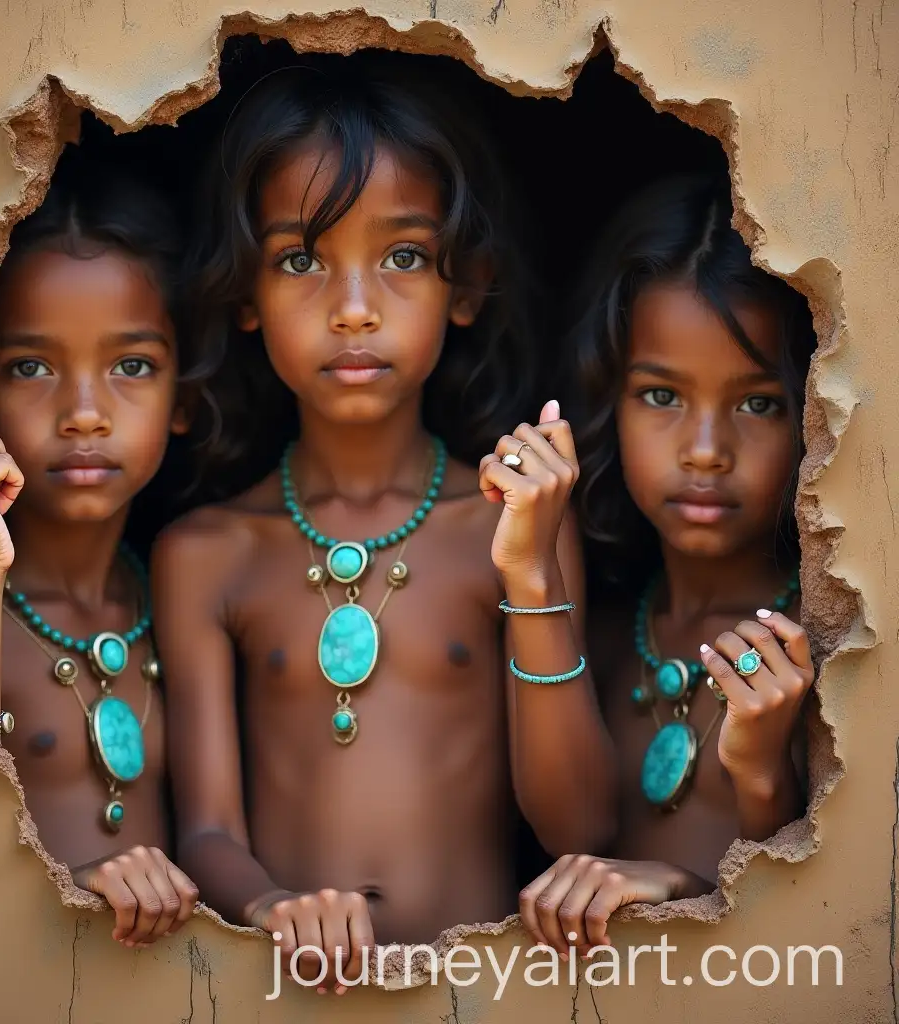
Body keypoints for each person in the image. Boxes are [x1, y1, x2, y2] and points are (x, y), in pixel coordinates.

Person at [153, 53, 617, 985]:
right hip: (278, 995)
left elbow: (580, 830)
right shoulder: (205, 554)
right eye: (301, 260)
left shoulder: (513, 526)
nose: (354, 310)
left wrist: (530, 572)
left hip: (482, 999)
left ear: (468, 283)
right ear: (244, 293)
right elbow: (203, 828)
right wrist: (270, 906)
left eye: (403, 256)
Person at [519, 174, 817, 956]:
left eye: (759, 404)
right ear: (606, 400)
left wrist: (757, 778)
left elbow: (823, 934)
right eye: (661, 396)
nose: (707, 451)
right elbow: (567, 831)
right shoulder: (614, 642)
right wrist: (533, 572)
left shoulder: (829, 649)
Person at [0, 154, 201, 949]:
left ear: (187, 396)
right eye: (31, 366)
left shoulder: (179, 597)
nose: (83, 413)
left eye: (132, 366)